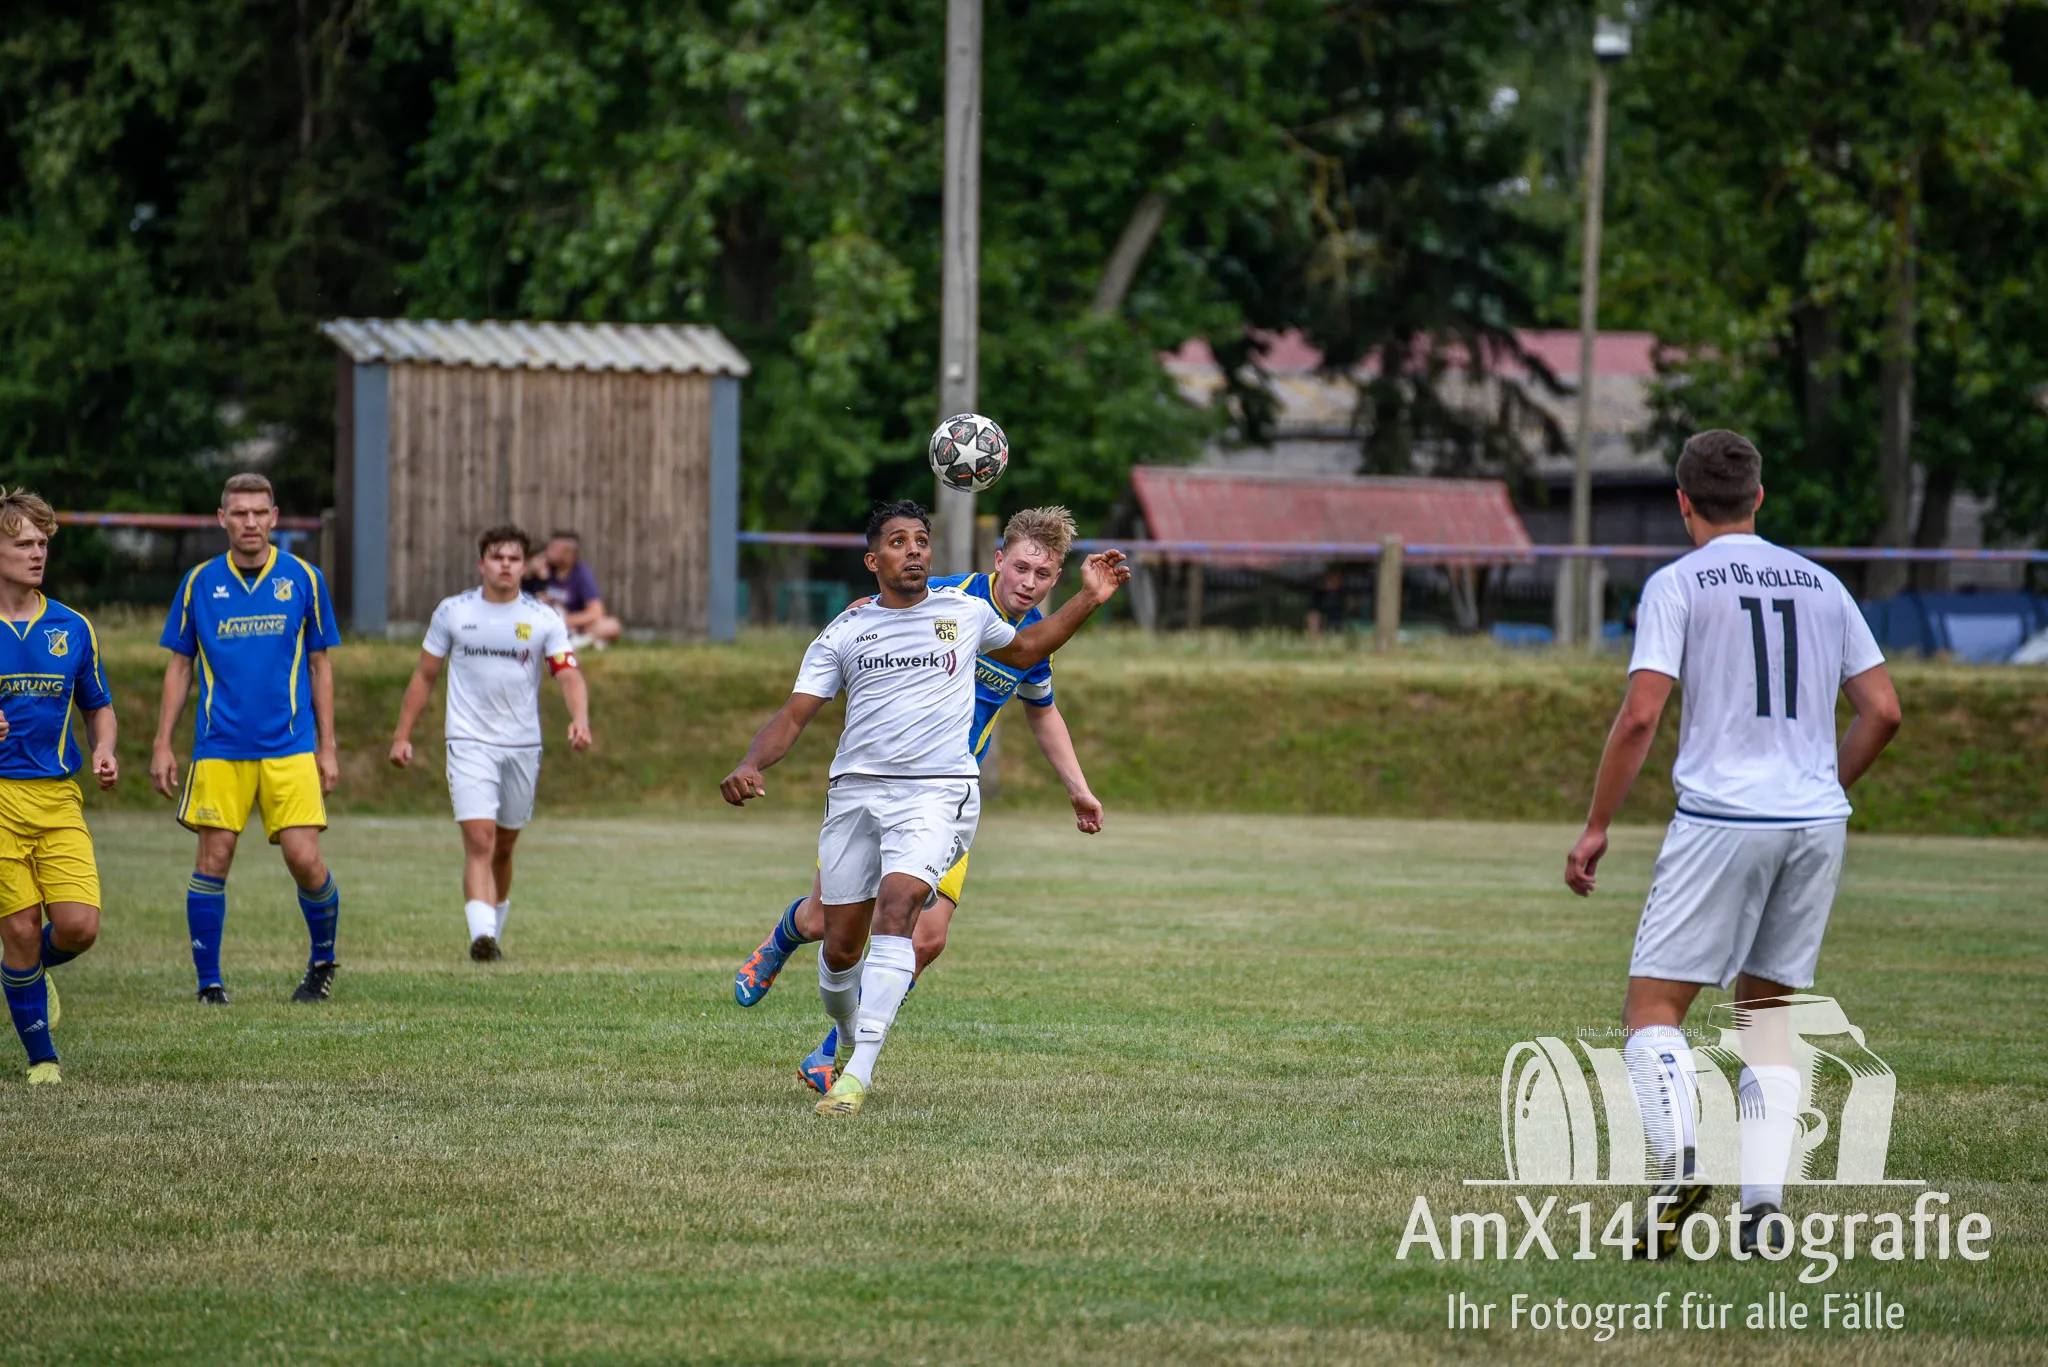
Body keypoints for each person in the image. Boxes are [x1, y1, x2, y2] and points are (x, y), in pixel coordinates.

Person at [1562, 430, 1901, 1258]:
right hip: (1814, 822)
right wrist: (1820, 784)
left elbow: (1641, 715)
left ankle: (1680, 1165)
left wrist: (1597, 823)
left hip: (1723, 818)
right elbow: (1884, 710)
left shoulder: (1679, 583)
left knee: (1654, 1009)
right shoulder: (1824, 585)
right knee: (1766, 1017)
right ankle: (1763, 1209)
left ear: (1683, 503)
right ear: (1760, 497)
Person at [720, 499, 1128, 1118]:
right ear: (998, 560)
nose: (1029, 583)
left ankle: (841, 1059)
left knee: (921, 931)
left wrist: (1078, 786)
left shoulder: (1017, 631)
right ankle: (783, 942)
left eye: (1044, 575)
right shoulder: (943, 597)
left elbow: (1041, 705)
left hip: (942, 792)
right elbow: (887, 602)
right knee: (831, 929)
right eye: (1021, 568)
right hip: (866, 787)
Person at [151, 473, 344, 1005]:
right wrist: (163, 742)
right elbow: (180, 666)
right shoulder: (198, 583)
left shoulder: (304, 579)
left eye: (260, 513)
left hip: (291, 745)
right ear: (223, 519)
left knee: (305, 860)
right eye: (239, 513)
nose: (250, 522)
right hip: (220, 746)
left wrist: (328, 746)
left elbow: (320, 665)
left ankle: (322, 962)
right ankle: (209, 984)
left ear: (274, 517)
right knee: (213, 859)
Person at [389, 525, 593, 961]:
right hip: (468, 740)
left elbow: (569, 674)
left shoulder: (543, 618)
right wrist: (402, 735)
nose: (505, 565)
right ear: (481, 563)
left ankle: (492, 936)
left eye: (514, 558)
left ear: (524, 566)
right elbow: (425, 675)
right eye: (497, 557)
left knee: (503, 846)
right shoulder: (453, 612)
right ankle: (480, 936)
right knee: (480, 840)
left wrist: (580, 719)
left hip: (522, 745)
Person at [0, 489, 118, 1085]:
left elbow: (98, 704)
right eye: (23, 543)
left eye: (42, 543)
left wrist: (103, 748)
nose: (37, 553)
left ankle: (23, 972)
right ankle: (42, 1059)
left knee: (78, 927)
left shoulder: (72, 627)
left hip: (57, 795)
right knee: (20, 927)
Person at [524, 531, 622, 648]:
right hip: (544, 620)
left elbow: (596, 612)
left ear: (568, 555)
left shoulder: (581, 575)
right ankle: (582, 641)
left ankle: (576, 639)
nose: (548, 552)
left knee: (612, 626)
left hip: (570, 623)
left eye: (554, 549)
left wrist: (567, 620)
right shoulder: (545, 569)